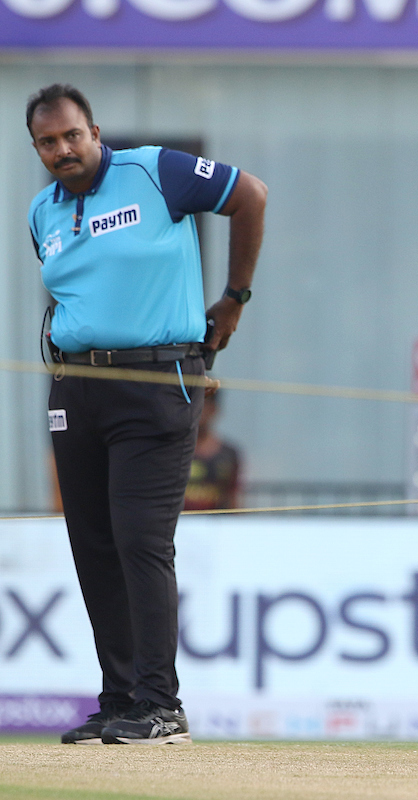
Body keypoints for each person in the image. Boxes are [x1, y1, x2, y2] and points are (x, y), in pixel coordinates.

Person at [26, 84, 267, 745]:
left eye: (71, 135)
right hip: (75, 388)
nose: (61, 149)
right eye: (46, 142)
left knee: (140, 541)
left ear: (94, 131)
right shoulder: (41, 211)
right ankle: (119, 700)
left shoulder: (154, 170)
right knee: (93, 546)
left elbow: (252, 195)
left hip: (156, 382)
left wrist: (234, 299)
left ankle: (162, 706)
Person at [184, 390, 243, 511]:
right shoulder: (171, 452)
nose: (200, 411)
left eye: (205, 405)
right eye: (194, 404)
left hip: (216, 526)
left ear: (214, 409)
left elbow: (233, 499)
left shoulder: (229, 454)